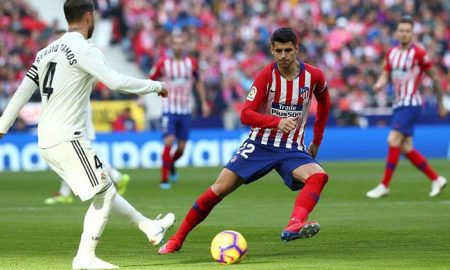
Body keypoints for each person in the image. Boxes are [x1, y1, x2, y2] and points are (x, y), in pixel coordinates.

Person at [0, 1, 175, 269]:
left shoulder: (45, 52)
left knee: (103, 188)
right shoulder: (83, 49)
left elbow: (22, 92)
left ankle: (148, 226)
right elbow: (116, 82)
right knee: (104, 193)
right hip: (69, 137)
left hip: (46, 140)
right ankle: (85, 258)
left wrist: (2, 126)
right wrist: (156, 86)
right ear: (89, 17)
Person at [158, 27, 331, 254]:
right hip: (260, 144)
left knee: (318, 175)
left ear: (296, 49)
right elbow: (245, 114)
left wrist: (317, 140)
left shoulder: (314, 76)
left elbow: (325, 104)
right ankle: (176, 239)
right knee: (219, 189)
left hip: (291, 147)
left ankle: (294, 223)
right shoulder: (266, 76)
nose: (283, 55)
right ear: (271, 50)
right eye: (278, 50)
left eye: (288, 50)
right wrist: (276, 122)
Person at [366, 15, 448, 199]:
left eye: (408, 31)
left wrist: (441, 104)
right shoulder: (391, 53)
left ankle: (384, 185)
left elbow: (434, 77)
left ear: (412, 33)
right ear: (397, 32)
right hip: (398, 104)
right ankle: (436, 178)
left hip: (411, 103)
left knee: (393, 139)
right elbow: (385, 74)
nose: (404, 34)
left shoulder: (418, 53)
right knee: (406, 148)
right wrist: (379, 84)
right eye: (401, 30)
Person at [148, 33, 209, 190]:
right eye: (175, 43)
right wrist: (144, 97)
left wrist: (203, 103)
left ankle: (171, 164)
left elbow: (199, 82)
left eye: (181, 43)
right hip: (169, 109)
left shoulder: (191, 64)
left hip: (185, 110)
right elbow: (150, 79)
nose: (178, 46)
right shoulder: (163, 63)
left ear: (184, 45)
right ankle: (164, 179)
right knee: (168, 141)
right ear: (171, 46)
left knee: (181, 149)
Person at [45, 105, 131, 205]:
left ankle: (65, 194)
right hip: (77, 130)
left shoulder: (75, 94)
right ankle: (117, 177)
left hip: (78, 132)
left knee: (81, 159)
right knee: (79, 159)